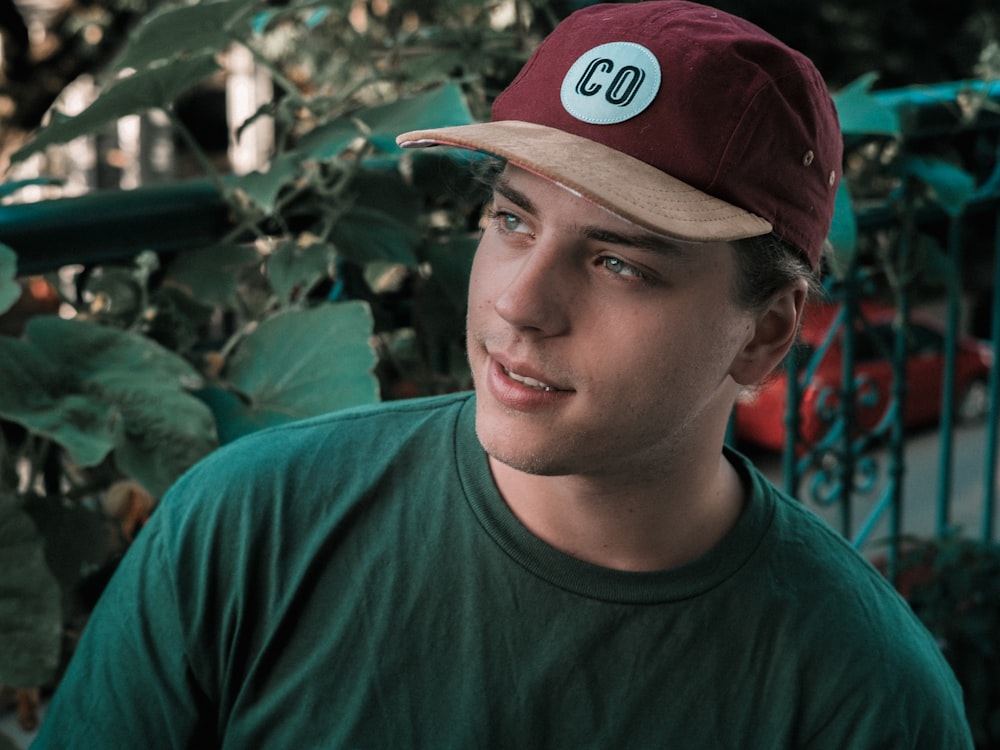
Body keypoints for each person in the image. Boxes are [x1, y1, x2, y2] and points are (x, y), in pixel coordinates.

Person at [34, 2, 973, 747]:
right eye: (513, 220)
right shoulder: (246, 525)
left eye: (620, 263)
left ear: (763, 336)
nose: (521, 304)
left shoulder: (864, 695)